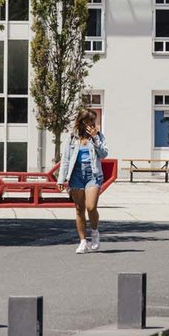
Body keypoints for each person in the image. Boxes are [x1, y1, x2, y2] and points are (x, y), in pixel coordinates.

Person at [56, 108, 108, 253]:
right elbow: (65, 160)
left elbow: (103, 154)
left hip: (93, 174)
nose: (93, 124)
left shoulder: (98, 136)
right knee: (79, 209)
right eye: (90, 121)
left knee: (91, 207)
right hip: (76, 175)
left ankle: (95, 232)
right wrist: (61, 179)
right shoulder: (72, 137)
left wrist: (96, 138)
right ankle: (83, 241)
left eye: (94, 121)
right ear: (82, 121)